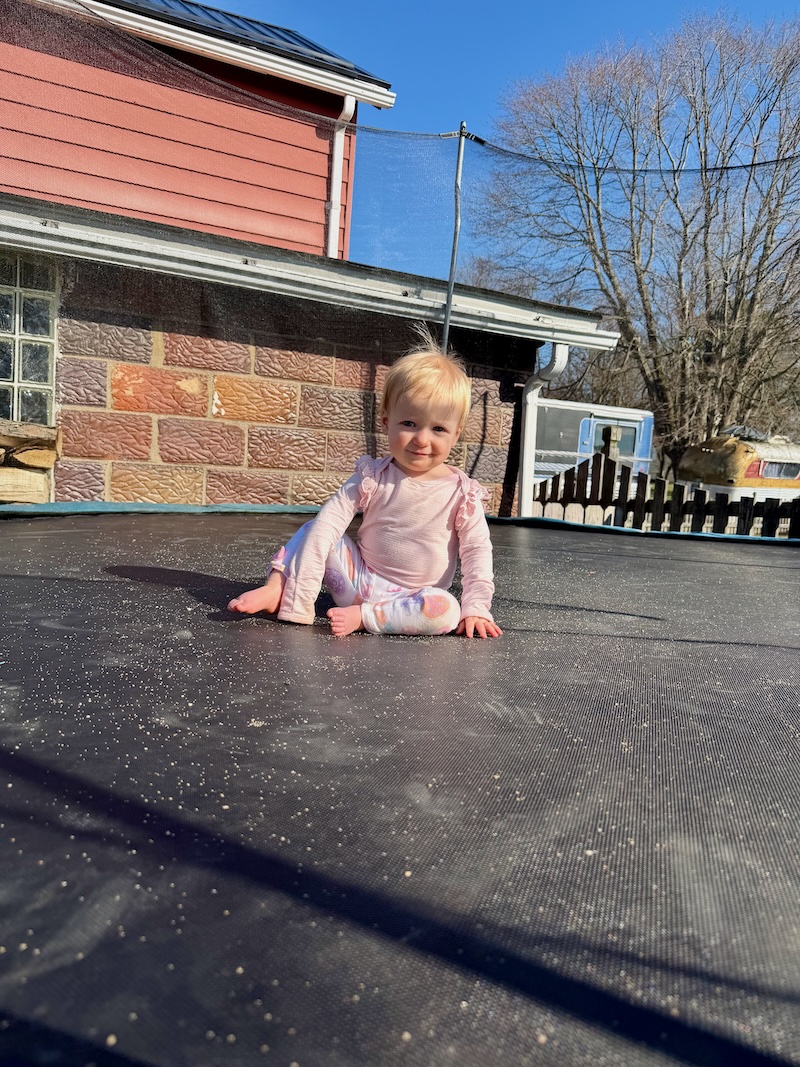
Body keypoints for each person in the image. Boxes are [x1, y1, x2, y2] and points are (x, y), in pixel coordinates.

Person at [228, 336, 502, 639]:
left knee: (446, 609)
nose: (422, 439)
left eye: (438, 429)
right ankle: (277, 588)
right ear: (386, 422)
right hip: (356, 582)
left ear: (456, 434)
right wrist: (300, 599)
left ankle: (367, 617)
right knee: (314, 528)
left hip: (410, 602)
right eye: (409, 424)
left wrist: (475, 606)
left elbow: (477, 552)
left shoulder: (462, 493)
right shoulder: (373, 476)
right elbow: (330, 523)